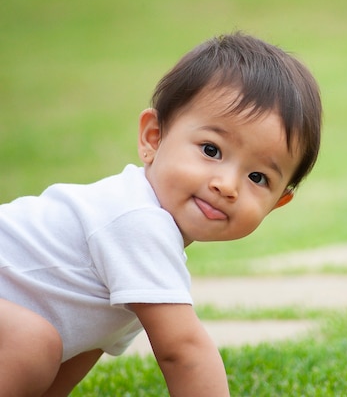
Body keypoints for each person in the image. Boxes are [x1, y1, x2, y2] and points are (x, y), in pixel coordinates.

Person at [0, 32, 322, 396]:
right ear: (153, 138)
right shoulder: (136, 219)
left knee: (43, 342)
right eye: (211, 150)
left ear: (277, 202)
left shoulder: (148, 251)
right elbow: (184, 352)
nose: (227, 184)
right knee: (32, 339)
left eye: (257, 177)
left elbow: (83, 340)